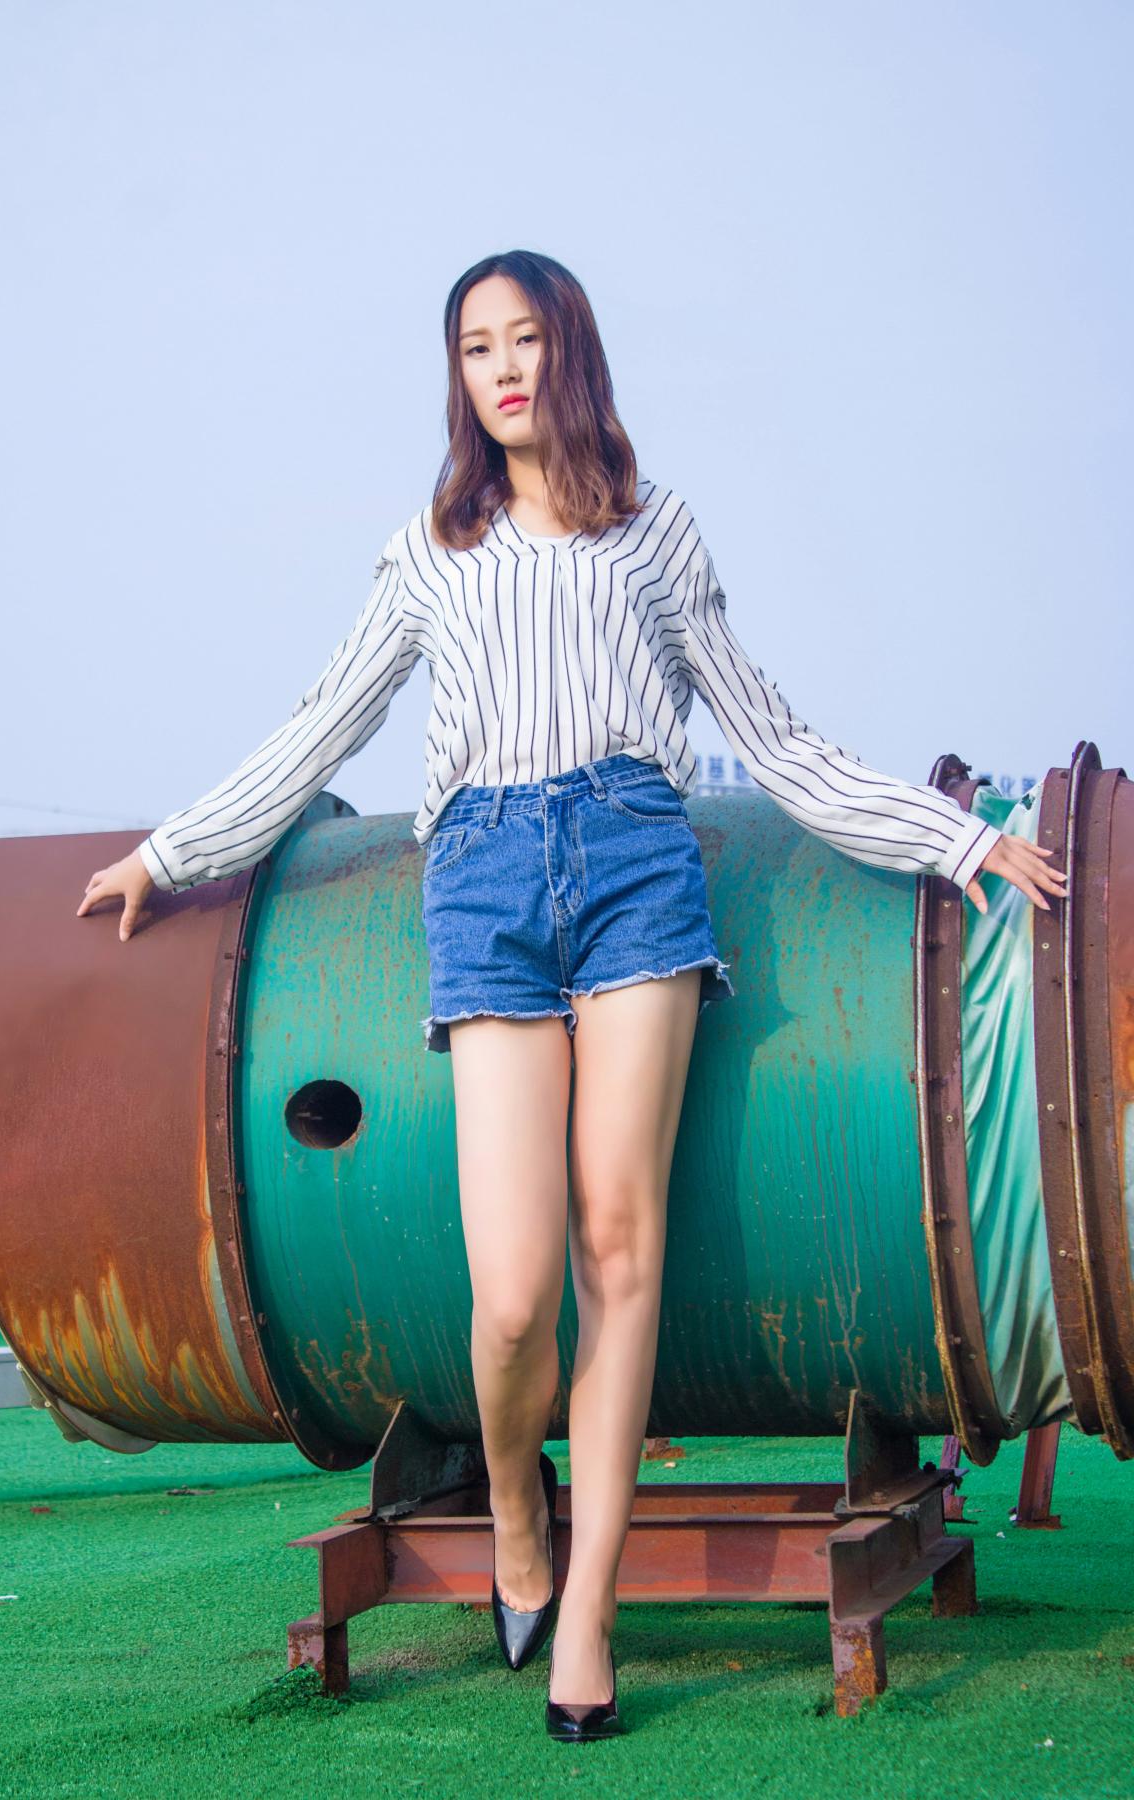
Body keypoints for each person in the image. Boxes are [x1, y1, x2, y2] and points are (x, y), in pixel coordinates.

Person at [76, 248, 1067, 1741]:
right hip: (480, 878)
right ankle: (517, 1515)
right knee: (513, 1296)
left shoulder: (656, 531)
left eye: (524, 337)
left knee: (619, 1246)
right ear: (458, 377)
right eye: (476, 347)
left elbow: (775, 742)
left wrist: (959, 837)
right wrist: (171, 854)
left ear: (571, 351)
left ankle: (585, 1612)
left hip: (636, 871)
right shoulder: (431, 550)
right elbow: (317, 726)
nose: (502, 367)